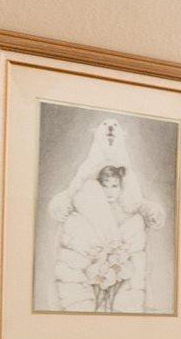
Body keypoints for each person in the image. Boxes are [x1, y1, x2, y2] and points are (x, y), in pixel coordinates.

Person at [44, 119, 167, 312]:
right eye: (105, 186)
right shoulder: (86, 181)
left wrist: (149, 211)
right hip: (87, 254)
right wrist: (62, 203)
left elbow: (136, 201)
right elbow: (73, 191)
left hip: (120, 262)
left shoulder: (130, 204)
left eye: (114, 186)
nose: (110, 129)